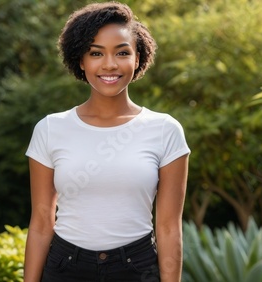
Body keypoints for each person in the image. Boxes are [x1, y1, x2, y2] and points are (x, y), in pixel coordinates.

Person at [23, 2, 190, 281]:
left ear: (137, 59)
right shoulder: (51, 128)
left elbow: (169, 227)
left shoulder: (165, 130)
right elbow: (41, 221)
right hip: (65, 268)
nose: (110, 64)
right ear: (81, 60)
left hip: (137, 268)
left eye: (122, 52)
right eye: (96, 53)